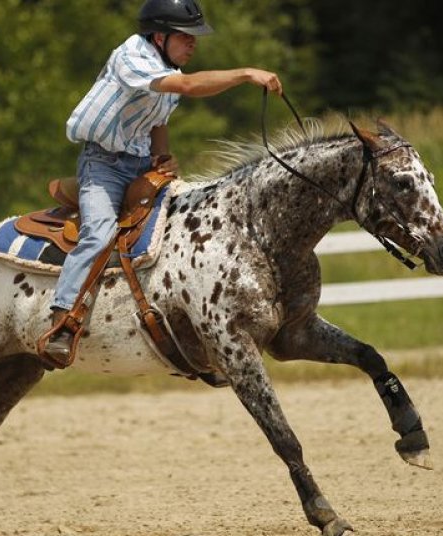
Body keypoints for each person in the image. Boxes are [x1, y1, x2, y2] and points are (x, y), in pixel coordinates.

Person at [43, 0, 284, 363]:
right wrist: (245, 74)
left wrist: (161, 158)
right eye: (186, 36)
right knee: (100, 232)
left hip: (141, 165)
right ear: (159, 36)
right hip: (102, 165)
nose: (194, 44)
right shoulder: (132, 56)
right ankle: (62, 321)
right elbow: (186, 86)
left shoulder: (164, 66)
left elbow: (158, 120)